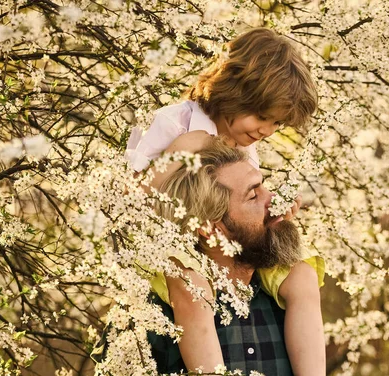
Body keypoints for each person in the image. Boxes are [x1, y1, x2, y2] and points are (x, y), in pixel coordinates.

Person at [125, 28, 325, 375]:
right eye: (263, 117)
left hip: (225, 246)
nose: (267, 130)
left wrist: (275, 212)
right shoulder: (176, 124)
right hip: (176, 247)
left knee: (303, 276)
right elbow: (138, 198)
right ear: (235, 91)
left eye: (277, 123)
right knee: (194, 291)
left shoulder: (243, 142)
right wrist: (185, 149)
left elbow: (246, 200)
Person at [149, 138, 323, 375]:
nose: (274, 200)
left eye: (264, 186)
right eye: (253, 196)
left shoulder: (290, 300)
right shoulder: (155, 319)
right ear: (211, 228)